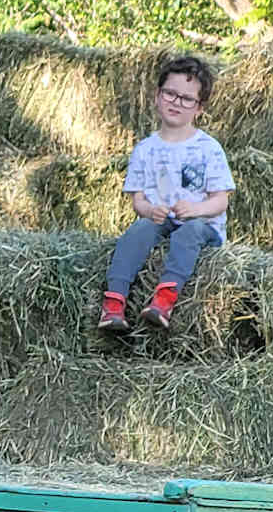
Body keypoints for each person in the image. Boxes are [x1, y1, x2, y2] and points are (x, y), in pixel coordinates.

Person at [98, 55, 234, 334]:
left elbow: (221, 201)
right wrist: (149, 211)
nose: (176, 102)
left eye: (187, 99)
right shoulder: (145, 149)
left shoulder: (209, 148)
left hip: (203, 226)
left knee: (188, 232)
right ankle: (114, 301)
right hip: (164, 220)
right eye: (170, 94)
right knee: (138, 231)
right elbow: (138, 202)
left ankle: (165, 299)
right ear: (158, 96)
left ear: (199, 108)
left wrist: (195, 210)